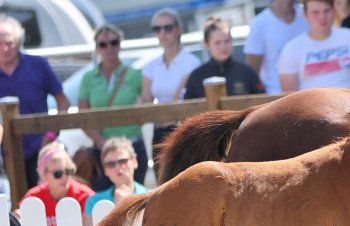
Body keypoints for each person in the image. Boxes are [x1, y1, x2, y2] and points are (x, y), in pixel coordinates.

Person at [0, 14, 70, 188]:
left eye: (8, 42)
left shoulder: (38, 65)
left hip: (41, 150)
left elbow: (63, 103)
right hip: (5, 153)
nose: (4, 48)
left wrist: (51, 135)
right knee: (14, 206)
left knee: (46, 198)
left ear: (18, 41)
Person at [78, 24, 147, 192]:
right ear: (97, 48)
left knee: (134, 198)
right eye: (103, 44)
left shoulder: (136, 75)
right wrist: (102, 143)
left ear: (120, 44)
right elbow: (82, 117)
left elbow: (145, 108)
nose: (109, 47)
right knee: (102, 202)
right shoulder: (88, 78)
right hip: (101, 149)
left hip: (132, 146)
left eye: (113, 42)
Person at [140, 8, 200, 177]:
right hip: (158, 130)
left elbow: (177, 100)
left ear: (178, 29)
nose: (162, 32)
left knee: (184, 180)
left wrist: (155, 110)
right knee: (162, 181)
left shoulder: (191, 62)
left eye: (167, 27)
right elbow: (145, 101)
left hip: (182, 128)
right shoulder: (151, 65)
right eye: (157, 29)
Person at [278, 0, 350, 91]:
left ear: (334, 11)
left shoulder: (349, 36)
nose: (322, 17)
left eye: (327, 11)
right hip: (311, 107)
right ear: (305, 14)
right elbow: (289, 95)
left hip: (348, 105)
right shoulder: (292, 48)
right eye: (315, 12)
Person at [183, 17, 265, 99]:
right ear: (206, 44)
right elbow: (187, 107)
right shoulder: (196, 76)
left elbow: (262, 100)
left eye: (227, 41)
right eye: (217, 43)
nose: (223, 47)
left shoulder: (246, 72)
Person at [244, 0, 310, 93]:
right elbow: (252, 71)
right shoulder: (259, 23)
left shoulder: (310, 15)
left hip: (310, 93)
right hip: (275, 96)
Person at [84, 137, 148, 226]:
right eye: (111, 164)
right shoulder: (93, 202)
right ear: (105, 170)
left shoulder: (151, 195)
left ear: (134, 162)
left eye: (122, 161)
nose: (118, 167)